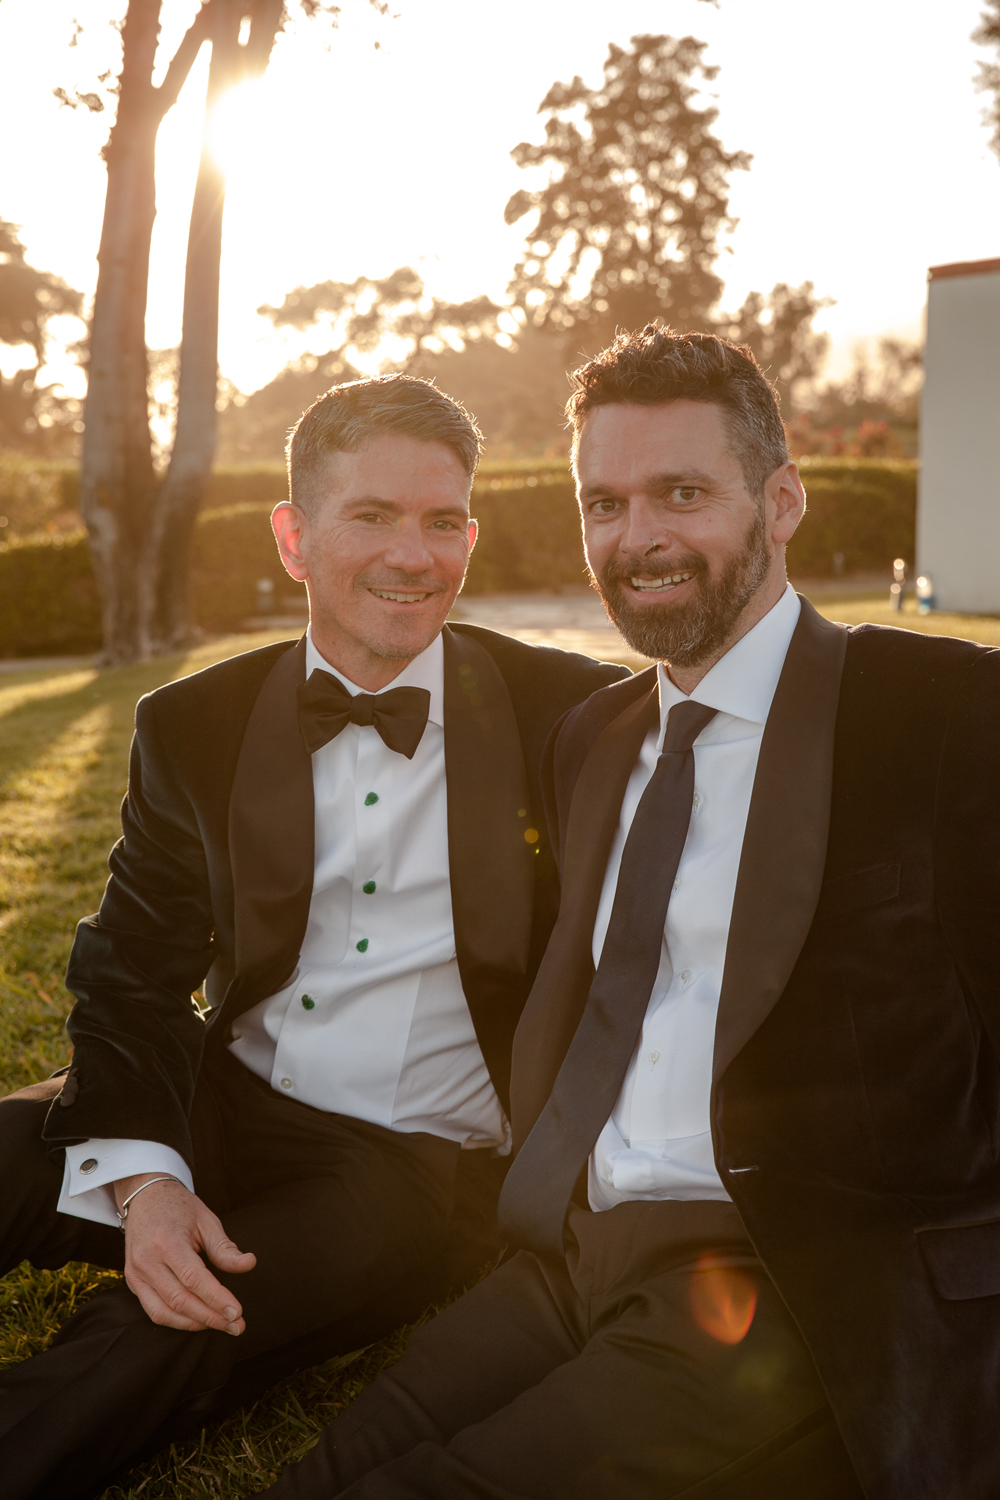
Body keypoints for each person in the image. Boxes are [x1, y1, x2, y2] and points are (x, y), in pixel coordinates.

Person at [257, 328, 1000, 1500]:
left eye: (682, 494)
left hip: (787, 1276)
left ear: (782, 500)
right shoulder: (596, 738)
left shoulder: (947, 712)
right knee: (328, 1470)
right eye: (604, 502)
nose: (637, 537)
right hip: (575, 1243)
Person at [0, 374, 627, 1500]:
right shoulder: (191, 722)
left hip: (407, 1165)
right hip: (219, 1089)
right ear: (293, 536)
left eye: (443, 521)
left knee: (166, 1330)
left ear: (472, 537)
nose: (414, 553)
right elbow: (130, 968)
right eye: (372, 515)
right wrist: (147, 1181)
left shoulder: (572, 714)